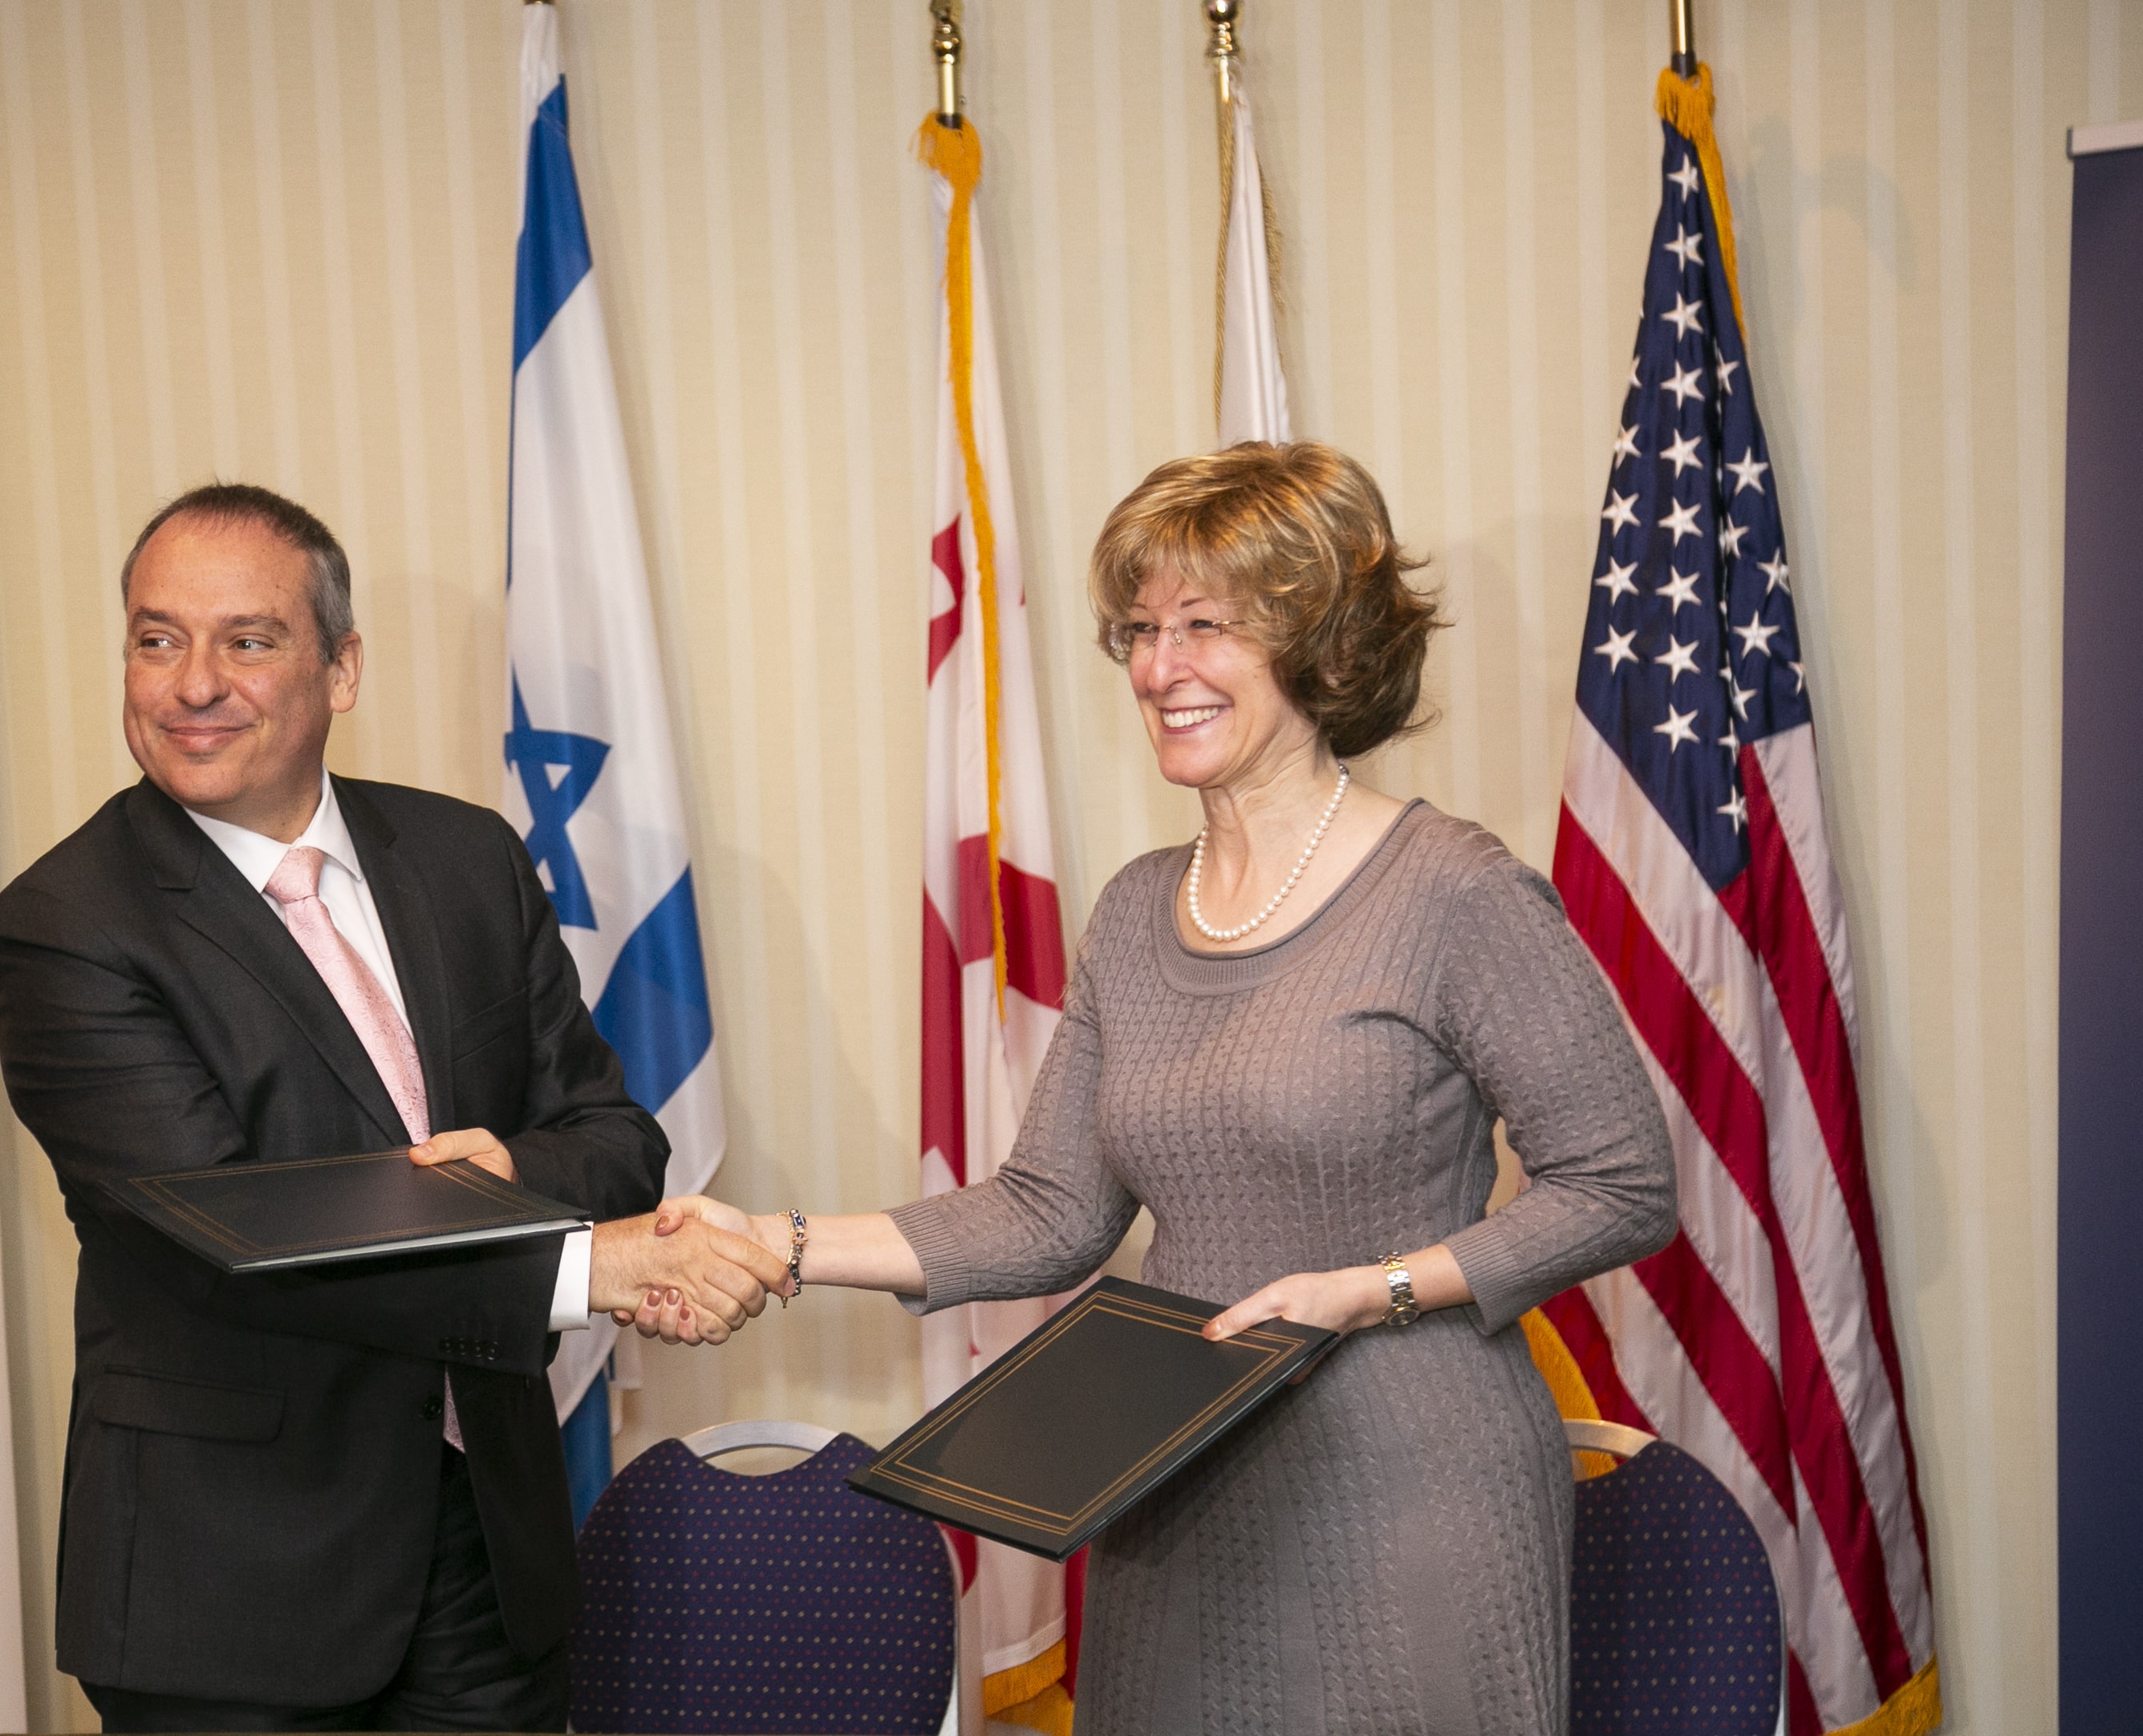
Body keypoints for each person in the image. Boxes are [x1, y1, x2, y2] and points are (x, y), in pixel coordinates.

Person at [656, 444, 1678, 1734]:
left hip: (1409, 1488)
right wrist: (773, 1242)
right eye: (1141, 631)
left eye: (1206, 626)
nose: (1157, 668)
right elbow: (1048, 1213)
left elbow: (1623, 1182)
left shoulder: (1456, 890)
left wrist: (1373, 1289)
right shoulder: (1138, 910)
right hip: (1173, 1488)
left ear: (1322, 641)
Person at [0, 484, 786, 1734]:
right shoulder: (65, 926)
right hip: (236, 1593)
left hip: (487, 1551)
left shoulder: (467, 859)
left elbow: (617, 1137)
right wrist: (589, 1269)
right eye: (157, 638)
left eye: (248, 640)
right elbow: (233, 1235)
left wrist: (509, 1177)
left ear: (342, 668)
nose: (194, 684)